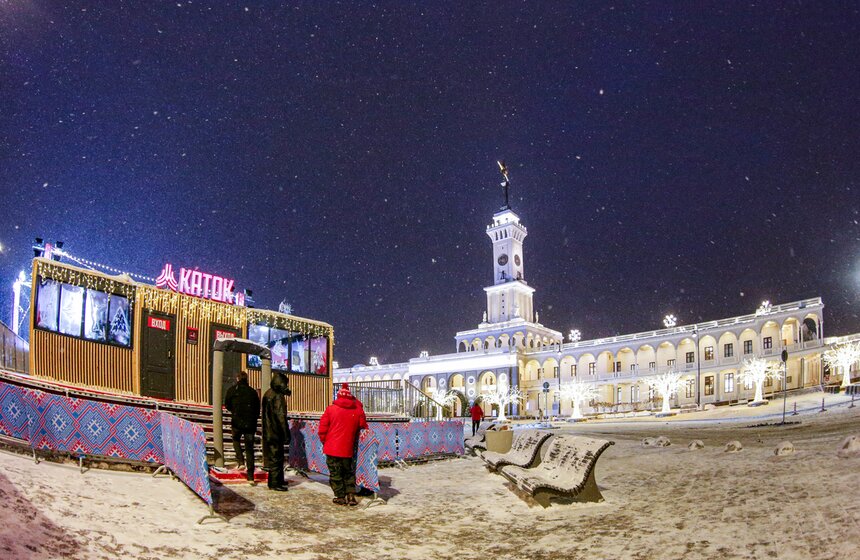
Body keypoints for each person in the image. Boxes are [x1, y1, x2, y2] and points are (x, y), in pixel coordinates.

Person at [319, 383, 368, 507]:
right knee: (348, 472)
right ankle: (351, 495)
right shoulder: (356, 410)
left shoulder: (330, 409)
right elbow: (363, 425)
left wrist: (325, 441)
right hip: (347, 448)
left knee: (335, 473)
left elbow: (322, 429)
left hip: (332, 448)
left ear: (338, 396)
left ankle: (340, 496)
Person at [224, 371, 260, 485]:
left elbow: (227, 404)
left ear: (237, 378)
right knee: (250, 449)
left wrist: (235, 411)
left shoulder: (232, 390)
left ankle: (240, 461)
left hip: (237, 421)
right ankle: (250, 477)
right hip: (250, 423)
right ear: (246, 379)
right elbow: (257, 408)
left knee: (236, 439)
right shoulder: (252, 392)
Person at [262, 372, 291, 492]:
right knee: (276, 458)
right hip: (275, 431)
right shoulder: (278, 396)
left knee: (275, 457)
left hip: (269, 430)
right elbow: (281, 417)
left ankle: (278, 480)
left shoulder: (268, 393)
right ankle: (275, 483)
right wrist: (286, 434)